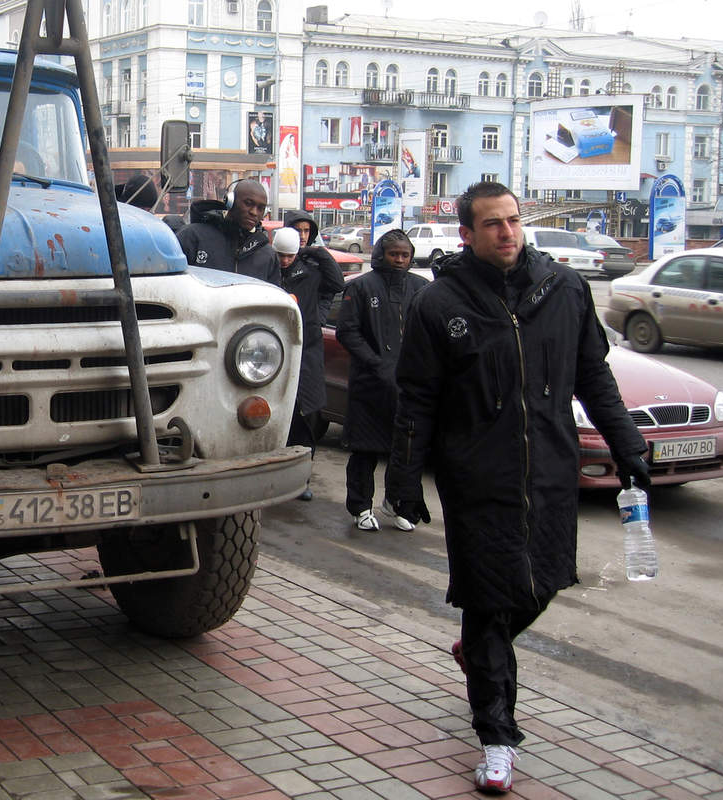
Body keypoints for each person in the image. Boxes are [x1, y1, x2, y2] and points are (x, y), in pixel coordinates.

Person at [385, 181, 650, 794]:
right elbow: (417, 398)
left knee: (544, 582)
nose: (507, 232)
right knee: (488, 602)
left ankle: (481, 650)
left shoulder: (564, 289)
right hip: (477, 477)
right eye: (492, 224)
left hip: (552, 470)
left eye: (513, 220)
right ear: (467, 234)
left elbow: (594, 376)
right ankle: (497, 739)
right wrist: (404, 478)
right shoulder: (440, 304)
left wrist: (629, 447)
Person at [335, 229, 428, 531]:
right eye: (393, 254)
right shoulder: (361, 287)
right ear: (380, 255)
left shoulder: (421, 288)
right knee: (365, 450)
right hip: (370, 384)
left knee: (404, 451)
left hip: (408, 386)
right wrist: (377, 363)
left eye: (405, 255)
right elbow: (347, 331)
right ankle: (360, 507)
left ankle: (397, 503)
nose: (399, 260)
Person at [272, 225, 345, 500]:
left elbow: (337, 284)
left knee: (306, 414)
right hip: (274, 351)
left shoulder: (311, 273)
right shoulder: (266, 272)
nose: (284, 261)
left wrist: (319, 253)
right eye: (280, 255)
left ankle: (302, 478)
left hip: (307, 350)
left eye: (289, 256)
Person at [176, 179, 280, 284]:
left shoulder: (267, 255)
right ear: (230, 201)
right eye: (248, 203)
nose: (254, 212)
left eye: (260, 208)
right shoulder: (192, 237)